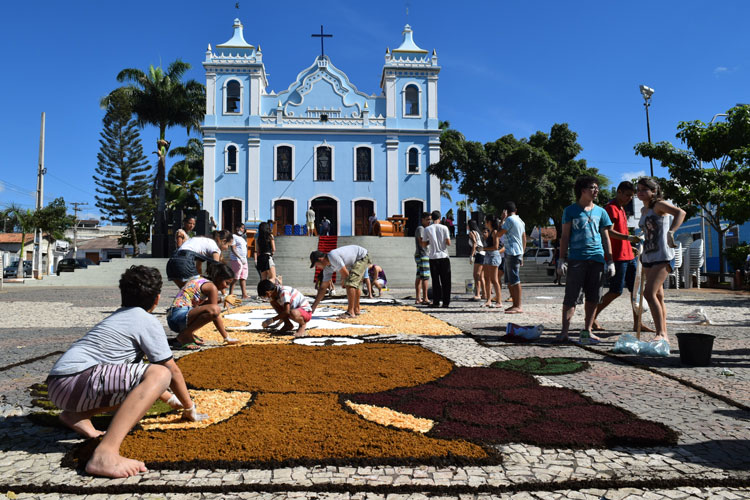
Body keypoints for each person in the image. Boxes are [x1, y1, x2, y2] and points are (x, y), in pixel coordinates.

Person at [45, 265, 207, 478]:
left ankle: (76, 416)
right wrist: (189, 407)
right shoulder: (146, 320)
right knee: (160, 373)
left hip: (60, 384)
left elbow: (136, 382)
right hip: (77, 380)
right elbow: (171, 370)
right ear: (156, 299)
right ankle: (105, 453)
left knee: (139, 390)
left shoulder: (118, 317)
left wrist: (171, 401)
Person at [555, 176, 615, 343]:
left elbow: (606, 237)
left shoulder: (601, 212)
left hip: (597, 258)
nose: (596, 190)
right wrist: (561, 259)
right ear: (583, 190)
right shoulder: (570, 211)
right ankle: (564, 332)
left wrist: (610, 260)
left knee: (594, 296)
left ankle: (587, 330)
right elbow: (565, 236)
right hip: (576, 259)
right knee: (571, 296)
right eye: (592, 187)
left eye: (597, 188)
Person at [591, 181, 653, 333]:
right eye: (626, 195)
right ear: (618, 192)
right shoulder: (611, 208)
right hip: (617, 257)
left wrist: (629, 245)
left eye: (631, 196)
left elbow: (620, 234)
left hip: (628, 255)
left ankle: (638, 323)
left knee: (636, 291)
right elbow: (608, 232)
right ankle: (591, 317)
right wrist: (628, 238)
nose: (629, 199)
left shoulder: (622, 209)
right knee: (616, 291)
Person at [636, 177, 686, 344]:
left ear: (654, 191)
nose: (640, 192)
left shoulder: (659, 205)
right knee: (658, 295)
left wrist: (671, 232)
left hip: (663, 256)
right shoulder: (644, 211)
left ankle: (661, 333)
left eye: (644, 189)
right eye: (638, 189)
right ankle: (664, 332)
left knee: (649, 293)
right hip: (649, 257)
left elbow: (681, 212)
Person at [166, 260, 240, 349]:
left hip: (174, 318)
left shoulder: (201, 280)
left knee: (211, 309)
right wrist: (226, 337)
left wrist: (223, 299)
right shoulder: (212, 287)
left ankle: (188, 334)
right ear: (219, 279)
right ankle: (185, 335)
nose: (226, 287)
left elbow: (202, 307)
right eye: (226, 283)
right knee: (215, 310)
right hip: (179, 317)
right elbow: (214, 313)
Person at [310, 244, 371, 317]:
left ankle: (350, 312)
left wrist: (343, 281)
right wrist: (313, 307)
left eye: (317, 265)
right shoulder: (327, 269)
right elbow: (323, 288)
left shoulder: (332, 256)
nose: (317, 267)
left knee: (350, 282)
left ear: (320, 259)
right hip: (356, 259)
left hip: (362, 256)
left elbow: (346, 275)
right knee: (354, 283)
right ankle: (356, 310)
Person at [166, 230, 234, 289]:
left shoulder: (203, 240)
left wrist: (200, 277)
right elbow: (217, 271)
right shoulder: (216, 248)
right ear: (224, 241)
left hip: (172, 261)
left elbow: (198, 268)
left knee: (187, 293)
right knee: (197, 293)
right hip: (185, 261)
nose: (227, 249)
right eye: (228, 246)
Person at [497, 201, 526, 314]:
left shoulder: (509, 220)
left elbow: (499, 234)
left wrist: (502, 220)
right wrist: (522, 253)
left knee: (514, 279)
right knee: (509, 280)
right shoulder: (520, 221)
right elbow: (524, 238)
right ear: (516, 210)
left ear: (505, 211)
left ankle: (518, 305)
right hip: (517, 251)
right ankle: (515, 304)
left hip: (512, 252)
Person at [422, 210, 452, 308]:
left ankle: (436, 301)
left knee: (435, 281)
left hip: (433, 257)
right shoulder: (444, 228)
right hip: (443, 256)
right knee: (446, 281)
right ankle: (446, 302)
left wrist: (432, 241)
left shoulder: (427, 229)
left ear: (432, 218)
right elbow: (448, 243)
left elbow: (424, 243)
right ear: (439, 218)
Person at [481, 215, 503, 308]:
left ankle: (499, 301)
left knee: (494, 279)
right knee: (487, 278)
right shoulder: (490, 232)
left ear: (489, 222)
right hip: (488, 255)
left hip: (493, 255)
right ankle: (488, 300)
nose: (485, 223)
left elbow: (495, 247)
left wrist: (483, 248)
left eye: (486, 221)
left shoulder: (494, 232)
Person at [228, 224, 250, 299]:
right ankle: (230, 294)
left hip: (244, 259)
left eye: (243, 228)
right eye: (241, 228)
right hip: (236, 259)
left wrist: (243, 258)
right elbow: (233, 248)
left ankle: (244, 294)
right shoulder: (233, 236)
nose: (242, 230)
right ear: (237, 228)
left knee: (243, 277)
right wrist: (239, 257)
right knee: (235, 277)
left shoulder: (242, 238)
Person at [414, 212, 431, 305]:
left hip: (422, 254)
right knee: (425, 277)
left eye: (430, 219)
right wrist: (431, 240)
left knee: (419, 277)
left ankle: (418, 298)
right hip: (422, 254)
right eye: (427, 219)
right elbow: (421, 243)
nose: (429, 221)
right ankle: (425, 298)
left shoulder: (425, 229)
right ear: (423, 220)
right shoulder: (421, 229)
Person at [468, 219, 486, 301]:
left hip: (478, 253)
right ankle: (484, 294)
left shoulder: (471, 233)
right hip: (483, 253)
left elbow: (474, 243)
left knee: (476, 275)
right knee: (481, 276)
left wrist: (471, 255)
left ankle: (478, 294)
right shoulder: (478, 233)